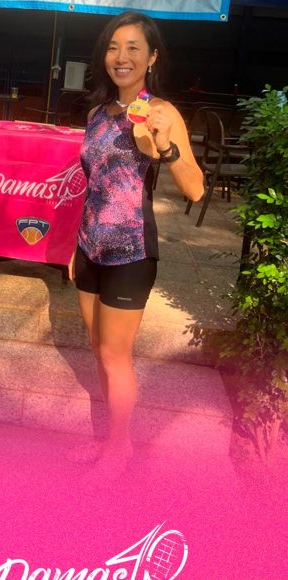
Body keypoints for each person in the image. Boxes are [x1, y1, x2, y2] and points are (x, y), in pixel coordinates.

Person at [68, 12, 204, 479]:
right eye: (113, 47)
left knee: (114, 355)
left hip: (131, 252)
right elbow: (93, 186)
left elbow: (195, 189)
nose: (121, 57)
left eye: (132, 48)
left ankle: (118, 446)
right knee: (97, 347)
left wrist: (166, 146)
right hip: (89, 247)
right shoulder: (96, 114)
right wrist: (73, 246)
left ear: (151, 57)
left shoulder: (161, 112)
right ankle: (111, 436)